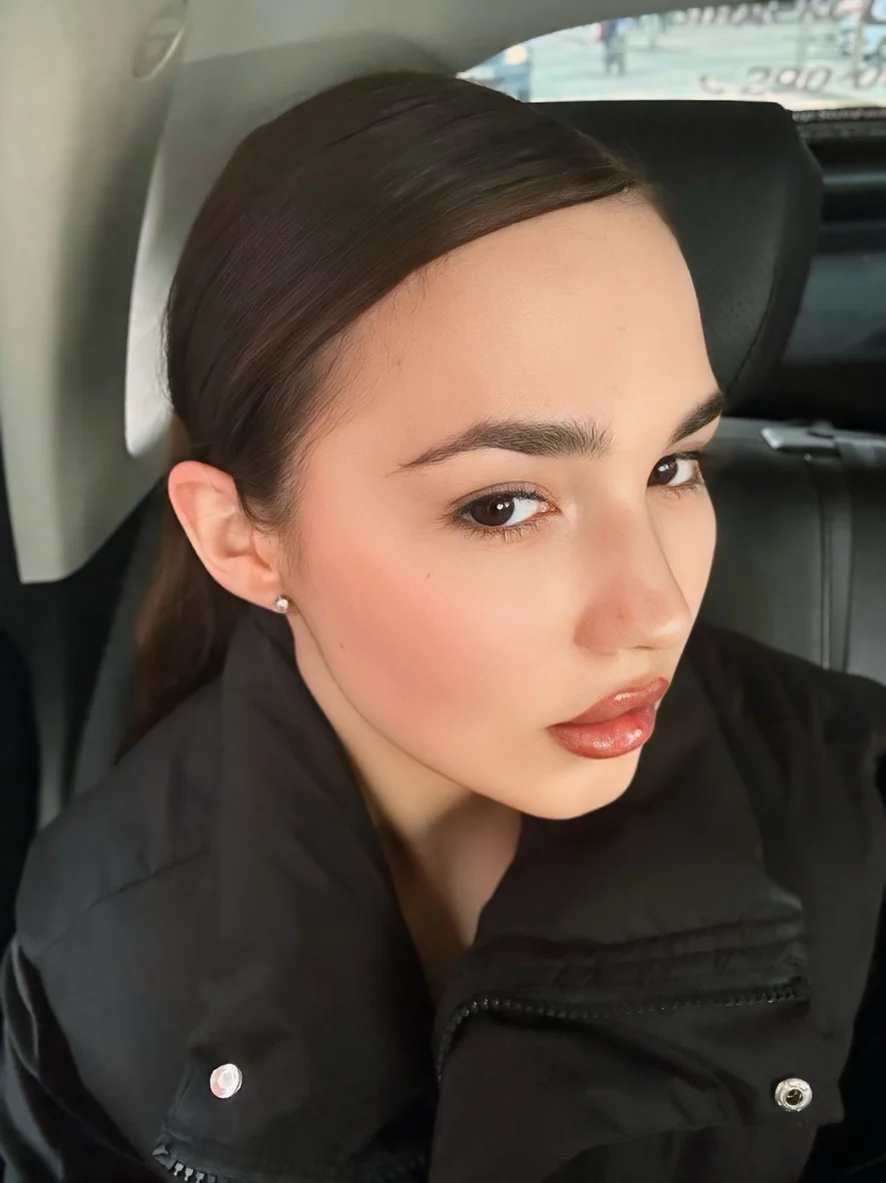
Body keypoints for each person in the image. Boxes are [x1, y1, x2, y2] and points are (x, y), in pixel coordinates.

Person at [1, 70, 885, 1183]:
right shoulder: (92, 945)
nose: (659, 608)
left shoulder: (859, 809)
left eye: (673, 466)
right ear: (243, 541)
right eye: (502, 505)